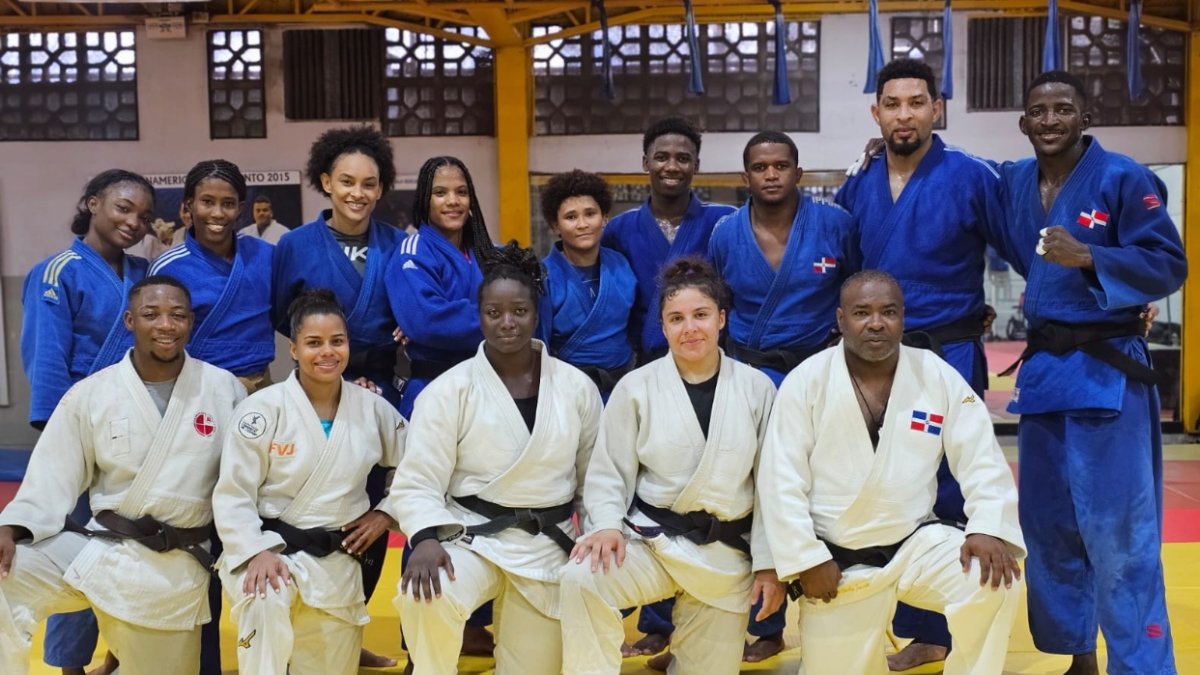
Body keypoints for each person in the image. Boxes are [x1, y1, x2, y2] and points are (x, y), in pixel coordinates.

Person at [991, 71, 1186, 675]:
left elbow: (1168, 263)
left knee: (1120, 533)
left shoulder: (1123, 176)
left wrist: (1091, 256)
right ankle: (1079, 655)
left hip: (1107, 375)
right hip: (1047, 375)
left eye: (1062, 109)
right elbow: (961, 175)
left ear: (1085, 118)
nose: (1050, 120)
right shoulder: (1015, 181)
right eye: (1038, 111)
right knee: (1049, 527)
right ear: (1023, 122)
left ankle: (1142, 665)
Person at [758, 270, 1024, 675]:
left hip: (915, 545)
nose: (876, 323)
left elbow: (981, 457)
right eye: (862, 312)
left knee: (993, 578)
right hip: (836, 563)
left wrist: (987, 526)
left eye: (889, 312)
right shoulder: (807, 381)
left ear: (903, 318)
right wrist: (806, 559)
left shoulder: (935, 374)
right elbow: (780, 482)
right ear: (841, 319)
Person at [834, 58, 1008, 669]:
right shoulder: (858, 183)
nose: (904, 115)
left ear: (937, 109)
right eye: (892, 104)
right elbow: (843, 272)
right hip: (874, 359)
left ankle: (944, 626)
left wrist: (1107, 300)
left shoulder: (973, 176)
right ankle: (899, 619)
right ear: (876, 112)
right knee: (883, 487)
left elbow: (1029, 249)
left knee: (951, 488)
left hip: (950, 351)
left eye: (916, 103)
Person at [0, 275, 246, 675]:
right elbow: (51, 474)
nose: (165, 325)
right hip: (101, 547)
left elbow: (245, 481)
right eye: (151, 314)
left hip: (172, 565)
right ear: (130, 321)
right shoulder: (92, 393)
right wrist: (10, 528)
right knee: (5, 575)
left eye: (177, 315)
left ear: (190, 322)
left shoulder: (224, 390)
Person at [382, 242, 602, 675]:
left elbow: (594, 481)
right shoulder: (448, 391)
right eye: (493, 312)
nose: (507, 323)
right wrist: (424, 537)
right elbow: (418, 479)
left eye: (519, 311)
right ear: (479, 315)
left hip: (546, 544)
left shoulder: (577, 388)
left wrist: (594, 537)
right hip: (471, 537)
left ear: (535, 314)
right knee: (424, 594)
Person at [559, 257, 785, 675]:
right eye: (676, 318)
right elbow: (609, 472)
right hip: (653, 543)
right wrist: (605, 525)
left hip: (725, 556)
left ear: (721, 319)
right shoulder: (635, 387)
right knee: (581, 577)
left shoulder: (757, 388)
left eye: (701, 315)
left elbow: (771, 486)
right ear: (662, 327)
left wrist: (769, 563)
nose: (690, 328)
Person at [212, 289, 407, 675]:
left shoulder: (372, 407)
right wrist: (254, 551)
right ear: (294, 349)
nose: (327, 352)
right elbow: (234, 492)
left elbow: (417, 465)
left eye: (337, 341)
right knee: (265, 601)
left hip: (335, 560)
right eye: (314, 343)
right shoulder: (261, 410)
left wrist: (386, 512)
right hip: (270, 551)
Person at [270, 125, 404, 668]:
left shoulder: (398, 242)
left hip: (382, 389)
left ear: (381, 187)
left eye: (369, 183)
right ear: (326, 181)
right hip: (319, 384)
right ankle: (300, 621)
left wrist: (407, 331)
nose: (357, 192)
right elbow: (284, 315)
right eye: (346, 181)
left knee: (368, 508)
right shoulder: (295, 245)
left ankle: (352, 623)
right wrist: (332, 371)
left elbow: (411, 306)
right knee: (313, 499)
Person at [19, 168, 156, 675]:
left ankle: (122, 655)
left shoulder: (144, 273)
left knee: (136, 547)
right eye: (123, 208)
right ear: (93, 203)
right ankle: (71, 665)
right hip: (79, 430)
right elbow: (46, 357)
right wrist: (62, 439)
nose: (133, 222)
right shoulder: (57, 272)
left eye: (143, 215)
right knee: (76, 548)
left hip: (139, 429)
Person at [710, 131, 858, 387]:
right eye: (760, 168)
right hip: (748, 370)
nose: (771, 175)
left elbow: (857, 291)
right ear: (746, 178)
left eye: (781, 166)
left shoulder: (836, 224)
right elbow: (717, 304)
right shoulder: (725, 233)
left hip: (822, 368)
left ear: (798, 174)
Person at [602, 117, 735, 365]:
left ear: (696, 165)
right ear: (646, 163)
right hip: (646, 361)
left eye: (683, 159)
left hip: (711, 355)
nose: (672, 167)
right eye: (661, 157)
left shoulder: (725, 220)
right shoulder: (619, 230)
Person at [151, 160, 275, 394]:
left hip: (259, 388)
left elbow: (291, 315)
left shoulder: (266, 256)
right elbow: (151, 340)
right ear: (189, 205)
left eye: (228, 204)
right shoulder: (167, 268)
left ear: (240, 208)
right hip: (194, 390)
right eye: (207, 202)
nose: (217, 213)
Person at [385, 155, 494, 419]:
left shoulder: (489, 254)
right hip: (431, 388)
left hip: (489, 386)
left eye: (461, 192)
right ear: (425, 199)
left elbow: (528, 306)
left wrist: (499, 316)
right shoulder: (413, 251)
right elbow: (428, 321)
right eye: (440, 193)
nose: (453, 201)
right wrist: (500, 319)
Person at [539, 169, 637, 399]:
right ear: (555, 225)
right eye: (571, 217)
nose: (582, 224)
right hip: (569, 392)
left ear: (605, 218)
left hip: (623, 388)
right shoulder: (544, 276)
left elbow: (634, 327)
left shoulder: (621, 265)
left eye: (590, 214)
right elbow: (540, 344)